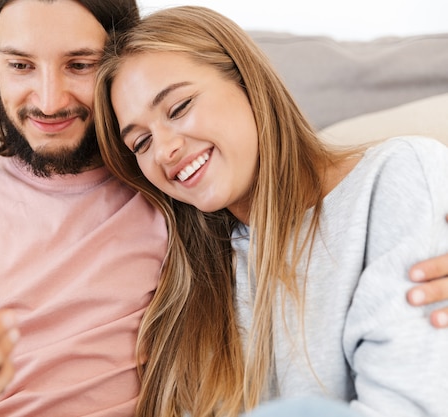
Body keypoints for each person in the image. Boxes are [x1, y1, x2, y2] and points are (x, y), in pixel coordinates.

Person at [0, 1, 448, 417]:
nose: (48, 98)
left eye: (80, 65)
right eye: (140, 140)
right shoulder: (203, 224)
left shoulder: (175, 206)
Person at [94, 5, 448, 417]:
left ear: (247, 81)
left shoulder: (396, 177)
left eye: (178, 107)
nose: (165, 149)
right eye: (140, 143)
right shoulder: (190, 278)